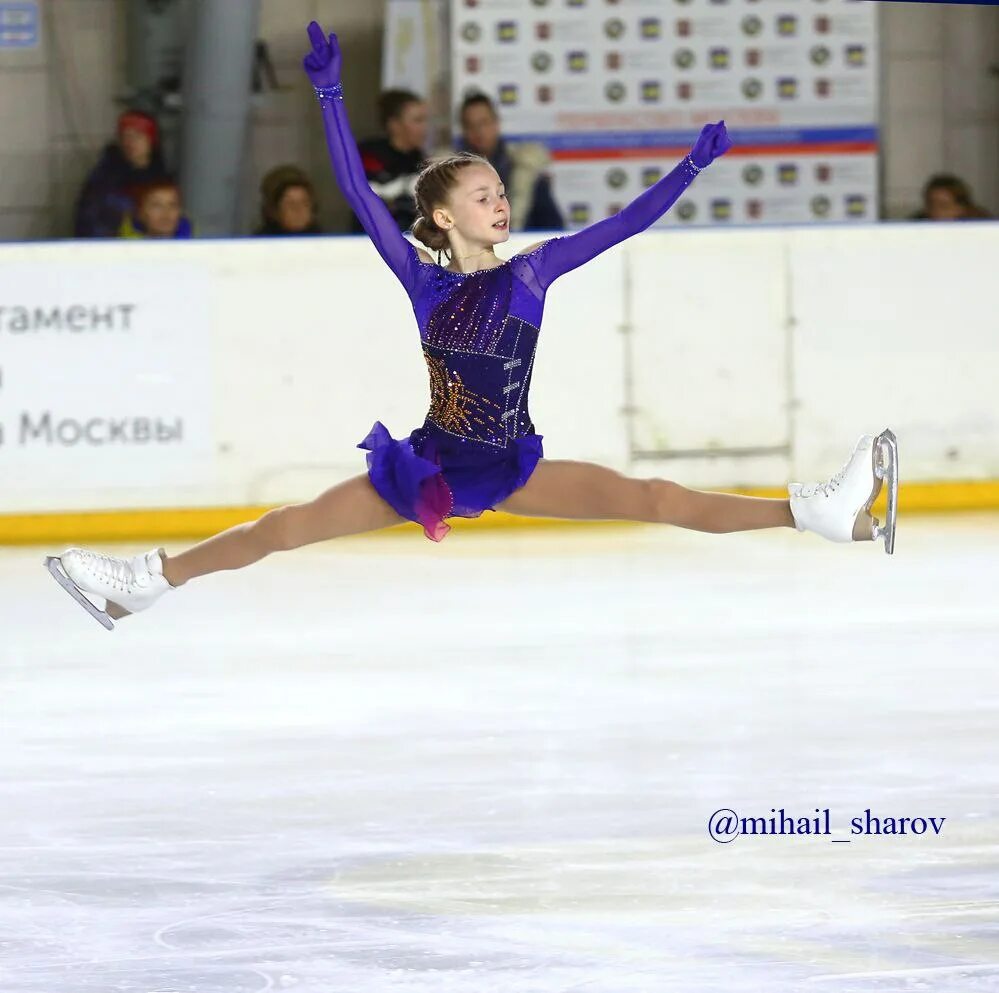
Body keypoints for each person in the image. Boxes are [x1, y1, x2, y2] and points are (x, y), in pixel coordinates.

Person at [43, 23, 899, 631]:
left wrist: (689, 167)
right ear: (444, 219)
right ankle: (143, 582)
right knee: (284, 526)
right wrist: (331, 94)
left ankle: (820, 513)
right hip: (433, 465)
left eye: (499, 192)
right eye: (482, 195)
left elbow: (624, 223)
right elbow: (351, 190)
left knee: (655, 498)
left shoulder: (536, 270)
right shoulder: (420, 283)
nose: (499, 202)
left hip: (509, 462)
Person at [456, 92, 564, 232]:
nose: (478, 131)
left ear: (496, 123)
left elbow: (553, 228)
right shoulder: (452, 176)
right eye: (471, 125)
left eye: (484, 122)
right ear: (463, 130)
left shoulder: (525, 169)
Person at [74, 110, 170, 238]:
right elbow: (89, 221)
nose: (130, 142)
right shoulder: (104, 178)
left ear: (150, 141)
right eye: (125, 136)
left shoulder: (161, 178)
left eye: (138, 136)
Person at [350, 89, 429, 234]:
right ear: (394, 124)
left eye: (424, 120)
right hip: (370, 239)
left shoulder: (420, 160)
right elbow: (368, 196)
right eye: (417, 120)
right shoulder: (369, 155)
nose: (424, 128)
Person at [254, 164, 324, 236]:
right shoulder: (258, 244)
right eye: (290, 204)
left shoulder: (325, 242)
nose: (299, 210)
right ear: (274, 211)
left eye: (305, 203)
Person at [118, 180, 193, 239]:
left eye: (172, 205)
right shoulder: (126, 250)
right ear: (141, 213)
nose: (166, 212)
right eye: (157, 205)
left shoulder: (195, 249)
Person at [911, 174, 992, 221]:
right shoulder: (916, 225)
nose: (935, 211)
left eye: (943, 206)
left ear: (961, 208)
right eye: (931, 205)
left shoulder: (983, 227)